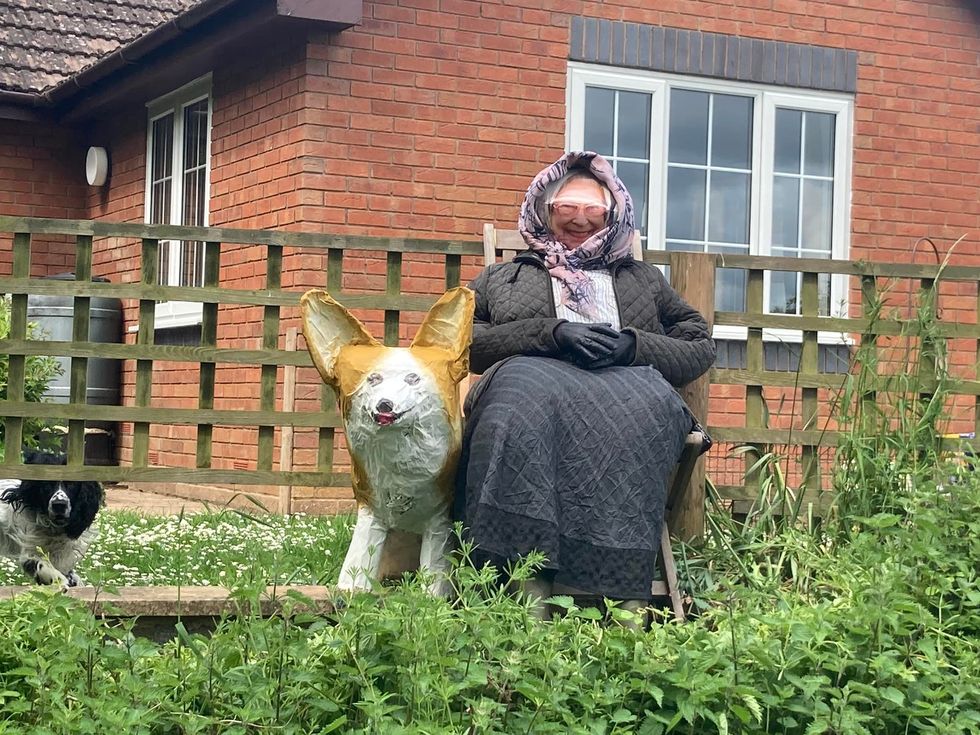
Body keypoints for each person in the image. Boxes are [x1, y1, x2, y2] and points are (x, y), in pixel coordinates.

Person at [453, 151, 716, 615]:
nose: (580, 219)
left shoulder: (643, 279)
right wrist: (549, 334)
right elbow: (457, 338)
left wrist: (632, 346)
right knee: (520, 400)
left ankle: (625, 602)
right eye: (567, 208)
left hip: (625, 381)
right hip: (532, 378)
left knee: (649, 408)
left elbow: (698, 342)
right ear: (544, 210)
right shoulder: (504, 277)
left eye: (593, 208)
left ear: (613, 213)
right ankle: (526, 591)